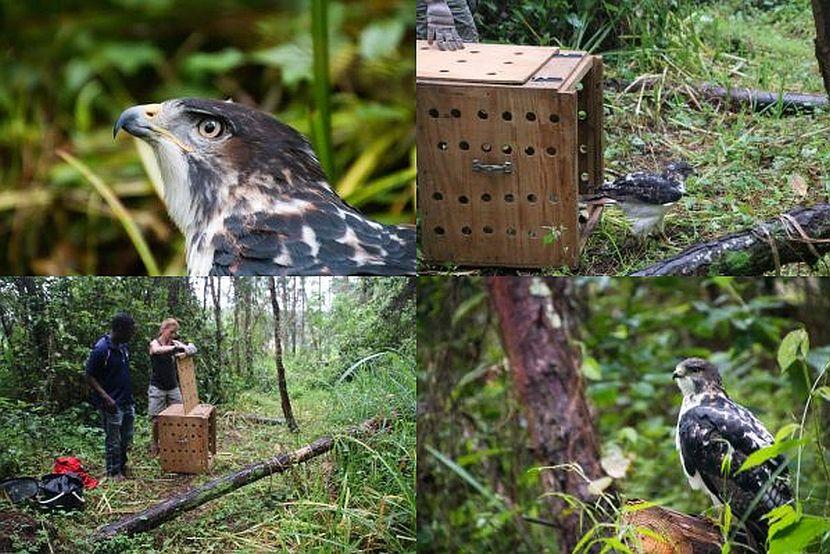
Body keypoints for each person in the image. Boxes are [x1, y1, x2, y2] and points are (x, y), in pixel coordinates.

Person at [85, 313, 136, 481]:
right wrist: (106, 398)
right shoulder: (101, 349)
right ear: (120, 329)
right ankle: (113, 472)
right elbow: (89, 376)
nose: (132, 334)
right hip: (112, 403)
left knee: (126, 436)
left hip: (127, 401)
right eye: (130, 331)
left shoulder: (122, 347)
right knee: (113, 440)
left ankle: (122, 465)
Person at [148, 318, 197, 456]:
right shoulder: (154, 343)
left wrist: (186, 350)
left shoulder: (175, 343)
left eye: (175, 332)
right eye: (171, 332)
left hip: (172, 386)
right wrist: (176, 348)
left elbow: (192, 349)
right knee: (157, 419)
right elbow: (157, 350)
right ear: (163, 329)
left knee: (180, 414)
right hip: (157, 386)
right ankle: (155, 443)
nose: (173, 335)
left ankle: (177, 442)